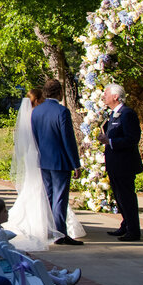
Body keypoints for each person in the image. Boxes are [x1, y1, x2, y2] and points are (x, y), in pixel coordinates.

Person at [0, 198, 80, 285]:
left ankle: (54, 276)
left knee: (30, 264)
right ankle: (62, 282)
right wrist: (23, 253)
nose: (7, 212)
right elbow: (9, 252)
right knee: (30, 264)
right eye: (4, 211)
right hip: (1, 266)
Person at [30, 79, 84, 245]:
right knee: (60, 198)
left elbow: (35, 137)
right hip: (60, 161)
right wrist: (76, 163)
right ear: (59, 92)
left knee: (49, 196)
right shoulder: (62, 111)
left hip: (44, 160)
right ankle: (60, 234)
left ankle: (49, 230)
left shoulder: (36, 112)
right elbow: (68, 140)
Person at [98, 83, 143, 241]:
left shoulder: (127, 113)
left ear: (115, 96)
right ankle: (125, 224)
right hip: (115, 163)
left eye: (106, 94)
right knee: (119, 196)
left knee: (127, 197)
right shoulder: (113, 114)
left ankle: (133, 230)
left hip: (124, 164)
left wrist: (110, 141)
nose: (104, 96)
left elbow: (132, 139)